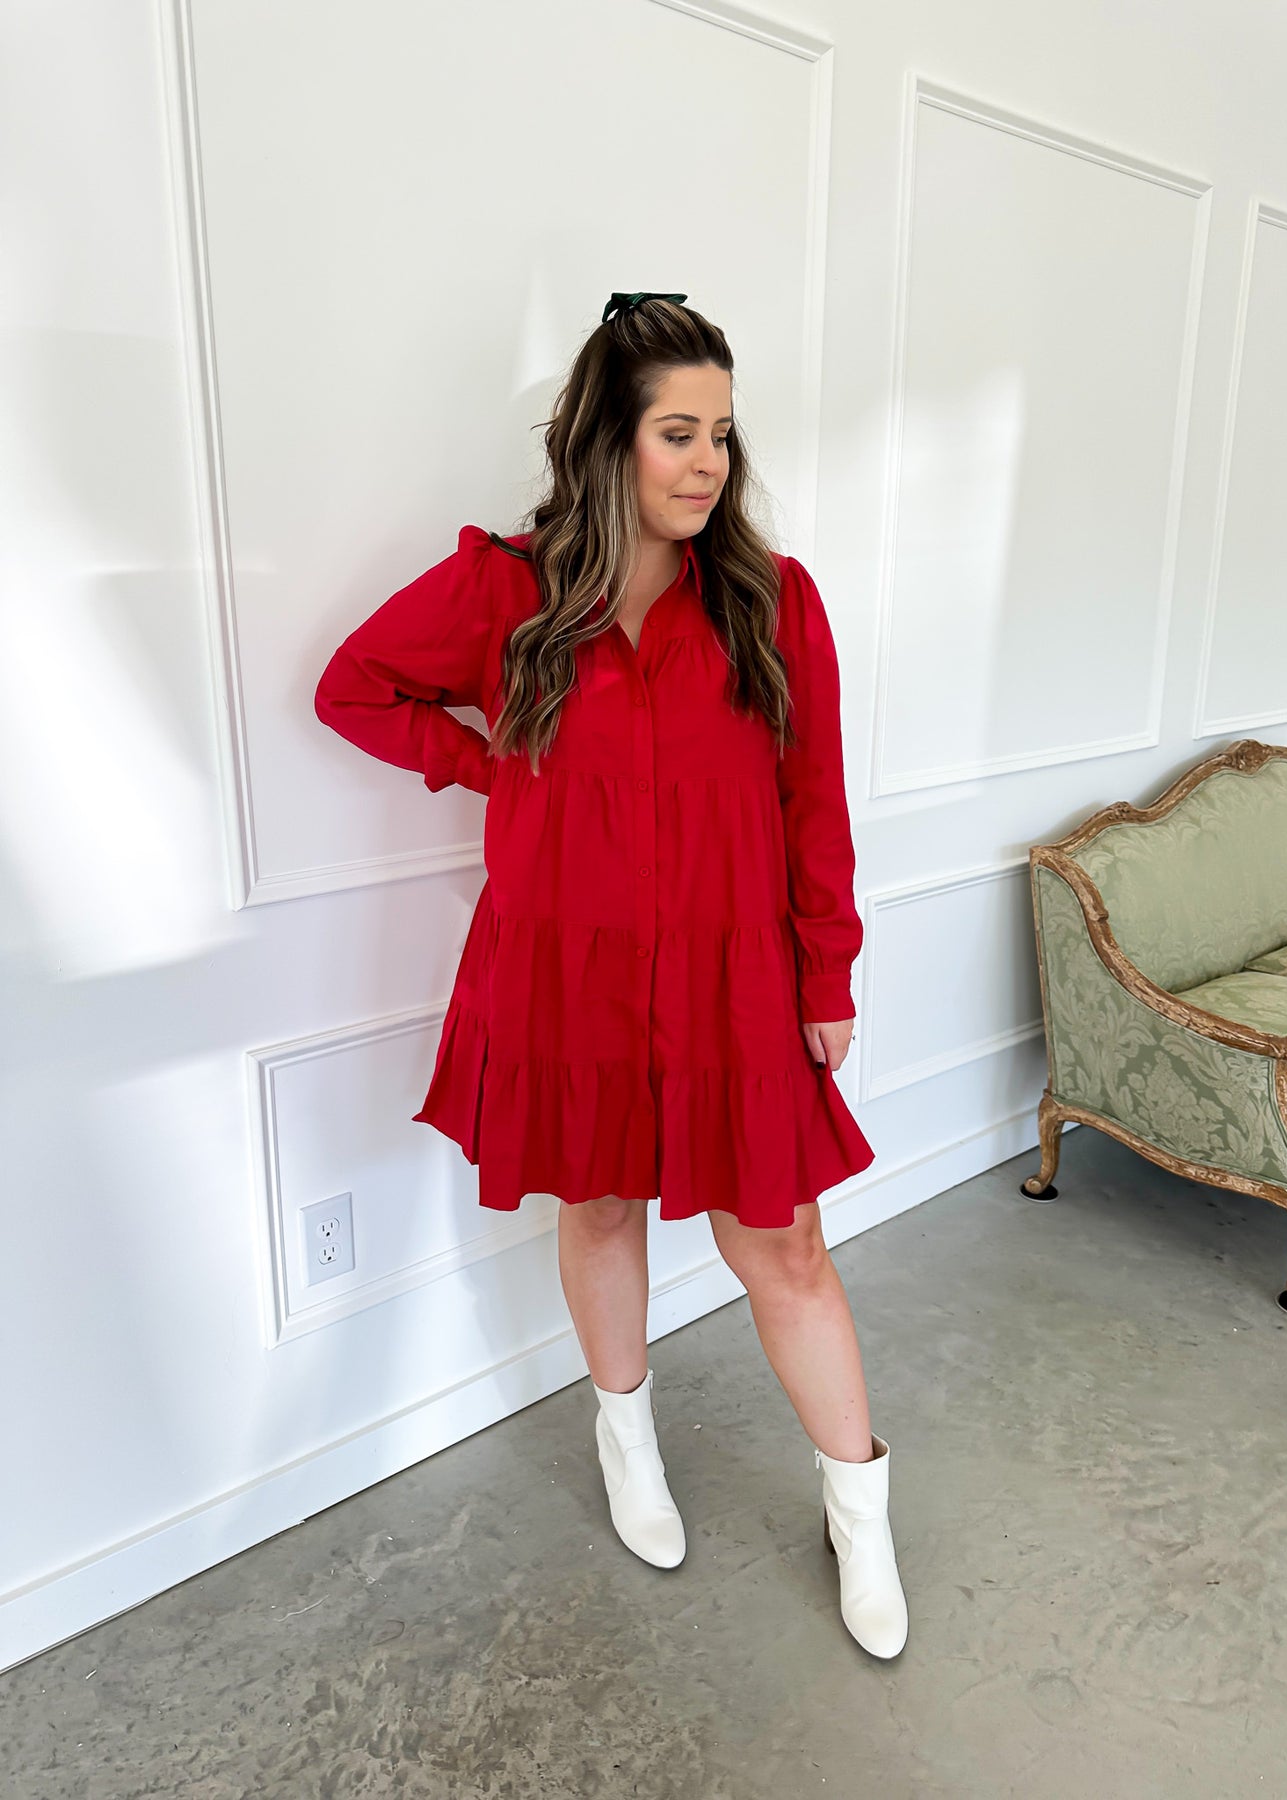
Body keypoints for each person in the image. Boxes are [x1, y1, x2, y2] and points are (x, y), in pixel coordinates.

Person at [313, 292, 907, 1659]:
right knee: (596, 1205)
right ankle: (625, 1441)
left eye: (722, 433)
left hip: (734, 974)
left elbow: (813, 801)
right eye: (677, 433)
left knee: (785, 1244)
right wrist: (485, 764)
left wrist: (828, 974)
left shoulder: (771, 601)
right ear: (607, 440)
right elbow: (354, 687)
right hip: (563, 971)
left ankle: (860, 1510)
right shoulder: (504, 594)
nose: (708, 463)